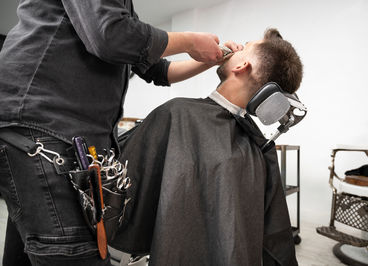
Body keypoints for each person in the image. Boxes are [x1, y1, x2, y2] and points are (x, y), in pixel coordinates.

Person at [0, 0, 243, 265]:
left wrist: (211, 59)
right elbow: (110, 36)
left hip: (53, 132)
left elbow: (157, 70)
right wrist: (189, 41)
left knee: (30, 251)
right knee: (77, 252)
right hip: (42, 129)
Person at [111, 28, 303, 265]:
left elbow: (122, 201)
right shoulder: (260, 148)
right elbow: (276, 240)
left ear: (241, 66)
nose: (237, 47)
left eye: (244, 47)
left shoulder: (176, 114)